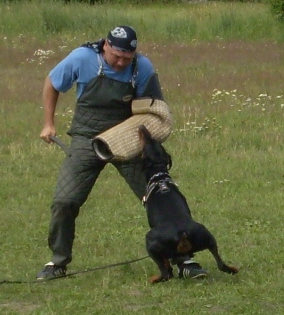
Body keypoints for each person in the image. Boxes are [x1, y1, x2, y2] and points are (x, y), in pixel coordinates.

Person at [37, 25, 208, 281]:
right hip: (87, 138)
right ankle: (57, 263)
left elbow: (154, 110)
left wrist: (149, 143)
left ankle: (184, 260)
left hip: (126, 138)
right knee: (65, 201)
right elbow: (52, 82)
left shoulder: (143, 68)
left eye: (126, 58)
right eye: (116, 56)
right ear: (105, 45)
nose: (120, 63)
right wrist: (48, 123)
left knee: (161, 197)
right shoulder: (82, 58)